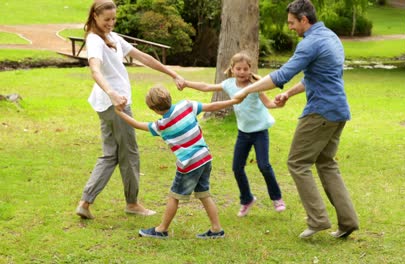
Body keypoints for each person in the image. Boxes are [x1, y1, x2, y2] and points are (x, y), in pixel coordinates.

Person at [233, 0, 359, 238]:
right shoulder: (330, 37)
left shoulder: (310, 43)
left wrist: (245, 90)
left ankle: (318, 219)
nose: (289, 27)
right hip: (338, 110)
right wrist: (290, 93)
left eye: (292, 22)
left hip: (320, 112)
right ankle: (348, 221)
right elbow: (317, 77)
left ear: (304, 19)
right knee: (326, 163)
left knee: (297, 163)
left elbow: (281, 74)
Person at [75, 0, 185, 219]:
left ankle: (85, 203)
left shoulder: (113, 38)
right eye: (106, 19)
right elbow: (95, 70)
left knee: (110, 155)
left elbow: (143, 57)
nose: (110, 23)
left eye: (113, 19)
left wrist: (171, 73)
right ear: (95, 17)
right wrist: (112, 93)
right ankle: (132, 203)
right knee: (130, 153)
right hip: (116, 104)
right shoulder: (95, 40)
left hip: (109, 104)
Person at [115, 86, 239, 239]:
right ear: (169, 98)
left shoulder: (161, 125)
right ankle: (216, 229)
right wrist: (233, 100)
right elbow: (213, 106)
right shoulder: (186, 105)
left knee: (174, 196)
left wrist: (119, 112)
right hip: (205, 157)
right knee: (204, 194)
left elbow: (136, 124)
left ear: (153, 109)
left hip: (189, 164)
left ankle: (161, 230)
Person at [180, 52, 286, 217]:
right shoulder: (229, 84)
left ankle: (277, 198)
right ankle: (247, 199)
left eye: (245, 69)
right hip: (243, 133)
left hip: (260, 132)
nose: (242, 72)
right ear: (232, 69)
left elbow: (269, 104)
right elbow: (206, 87)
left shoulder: (255, 85)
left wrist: (279, 103)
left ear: (250, 69)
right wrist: (186, 83)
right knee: (237, 168)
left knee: (264, 165)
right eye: (239, 69)